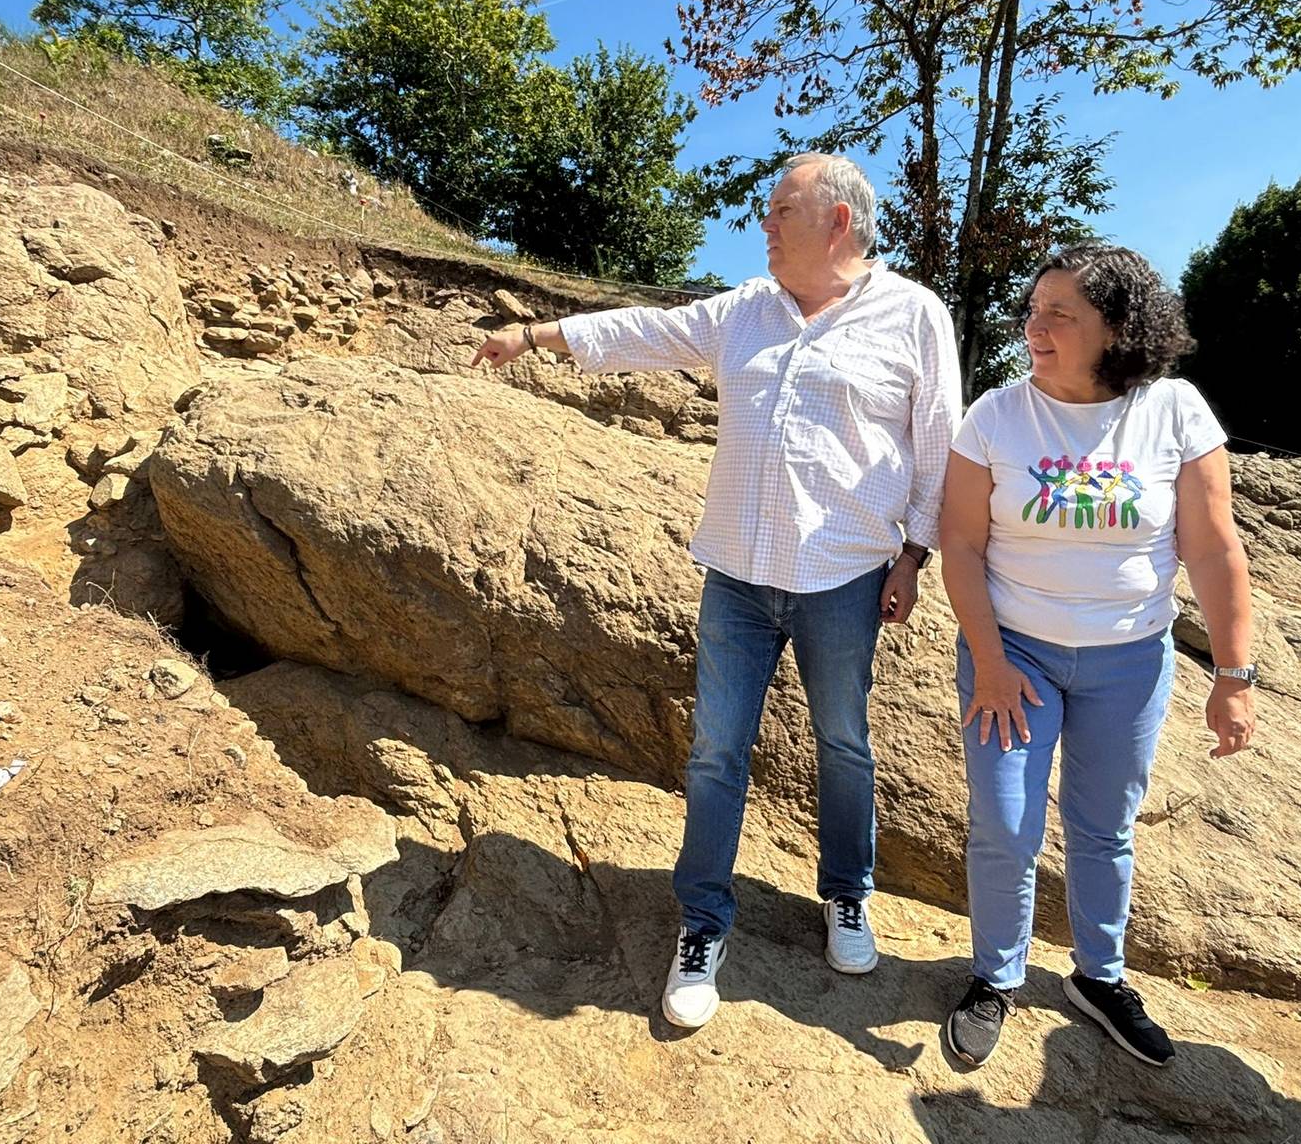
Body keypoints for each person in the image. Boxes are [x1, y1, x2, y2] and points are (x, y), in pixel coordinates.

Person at [472, 154, 962, 1029]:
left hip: (844, 578)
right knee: (714, 753)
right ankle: (702, 925)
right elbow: (650, 331)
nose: (764, 225)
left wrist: (913, 558)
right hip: (736, 574)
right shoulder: (746, 310)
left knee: (844, 744)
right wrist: (537, 336)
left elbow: (938, 442)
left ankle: (847, 896)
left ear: (838, 221)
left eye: (780, 210)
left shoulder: (914, 314)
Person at [937, 243, 1255, 1069]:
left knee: (1105, 827)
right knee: (1005, 824)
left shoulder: (1175, 410)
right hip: (1015, 657)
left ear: (1117, 327)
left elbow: (1214, 548)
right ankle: (995, 976)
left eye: (1059, 314)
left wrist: (1233, 675)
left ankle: (1099, 977)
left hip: (1130, 664)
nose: (1033, 328)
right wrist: (991, 660)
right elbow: (960, 544)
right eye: (1032, 311)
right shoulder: (996, 416)